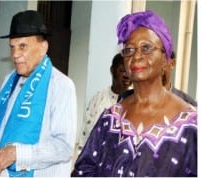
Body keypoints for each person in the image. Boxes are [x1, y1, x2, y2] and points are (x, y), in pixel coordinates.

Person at [72, 10, 197, 177]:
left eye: (146, 48)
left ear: (166, 59)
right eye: (129, 50)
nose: (136, 56)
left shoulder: (191, 126)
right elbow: (84, 170)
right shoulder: (110, 118)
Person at [0, 10, 77, 177]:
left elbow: (64, 147)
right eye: (12, 47)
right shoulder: (9, 81)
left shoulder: (61, 85)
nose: (15, 55)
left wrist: (17, 154)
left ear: (43, 47)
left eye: (23, 46)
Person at [77, 53, 131, 152]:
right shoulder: (98, 100)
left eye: (129, 71)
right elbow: (84, 137)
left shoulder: (137, 102)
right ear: (112, 71)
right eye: (122, 71)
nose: (126, 75)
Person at [118, 51, 197, 106]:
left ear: (172, 64)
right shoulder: (125, 98)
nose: (159, 69)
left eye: (163, 62)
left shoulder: (188, 104)